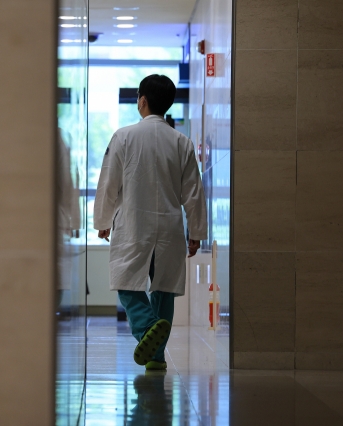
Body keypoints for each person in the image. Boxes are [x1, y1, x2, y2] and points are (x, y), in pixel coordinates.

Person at [94, 74, 207, 370]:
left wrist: (103, 221)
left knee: (125, 283)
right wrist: (196, 232)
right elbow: (194, 192)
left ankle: (145, 329)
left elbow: (109, 184)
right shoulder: (181, 142)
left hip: (134, 224)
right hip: (169, 226)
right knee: (163, 289)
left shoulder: (124, 136)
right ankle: (156, 358)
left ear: (142, 101)